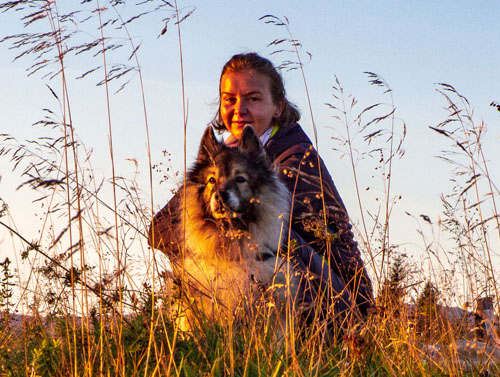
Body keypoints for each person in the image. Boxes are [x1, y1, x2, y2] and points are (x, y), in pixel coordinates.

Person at [149, 52, 373, 327]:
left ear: (278, 107)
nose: (239, 109)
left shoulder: (297, 156)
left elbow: (270, 232)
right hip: (247, 285)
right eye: (229, 100)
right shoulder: (221, 157)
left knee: (277, 240)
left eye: (253, 99)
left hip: (340, 302)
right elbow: (160, 228)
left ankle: (284, 347)